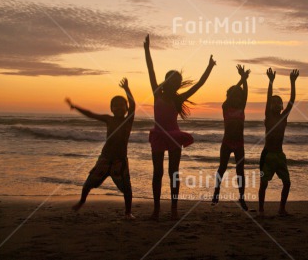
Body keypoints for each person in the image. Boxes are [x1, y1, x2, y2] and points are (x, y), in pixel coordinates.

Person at [144, 34, 216, 220]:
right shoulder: (156, 93)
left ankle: (174, 210)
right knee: (157, 173)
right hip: (159, 135)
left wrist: (209, 67)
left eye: (176, 81)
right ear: (166, 81)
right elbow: (150, 70)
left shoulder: (178, 98)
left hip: (174, 135)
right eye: (171, 79)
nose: (174, 83)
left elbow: (199, 84)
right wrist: (146, 50)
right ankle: (156, 210)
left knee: (173, 173)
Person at [65, 78, 136, 220]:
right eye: (115, 105)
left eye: (122, 105)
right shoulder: (108, 119)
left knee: (127, 189)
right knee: (88, 183)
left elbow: (133, 104)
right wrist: (75, 107)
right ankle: (82, 201)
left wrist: (127, 89)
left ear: (126, 108)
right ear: (111, 109)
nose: (118, 108)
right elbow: (91, 114)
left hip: (120, 161)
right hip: (105, 158)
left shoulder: (128, 119)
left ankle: (128, 212)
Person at [258, 68, 299, 217]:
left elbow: (292, 101)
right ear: (269, 106)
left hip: (279, 155)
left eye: (278, 103)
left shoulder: (283, 117)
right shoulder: (268, 117)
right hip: (267, 156)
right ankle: (261, 210)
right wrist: (270, 81)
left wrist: (292, 82)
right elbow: (268, 97)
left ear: (282, 107)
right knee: (264, 183)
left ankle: (282, 208)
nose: (275, 104)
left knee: (287, 183)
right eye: (273, 103)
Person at [212, 64, 250, 211]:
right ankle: (216, 192)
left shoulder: (242, 107)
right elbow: (237, 92)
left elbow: (245, 93)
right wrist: (241, 79)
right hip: (227, 143)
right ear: (229, 96)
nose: (237, 97)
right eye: (234, 95)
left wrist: (244, 80)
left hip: (239, 144)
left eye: (239, 96)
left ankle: (242, 198)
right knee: (222, 168)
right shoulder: (225, 107)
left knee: (240, 171)